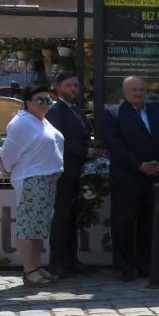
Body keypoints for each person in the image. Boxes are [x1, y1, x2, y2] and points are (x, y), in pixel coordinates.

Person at [102, 76, 159, 282]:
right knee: (124, 224)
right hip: (128, 178)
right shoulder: (113, 114)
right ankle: (125, 267)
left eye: (142, 89)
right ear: (125, 92)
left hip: (154, 180)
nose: (139, 93)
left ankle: (147, 265)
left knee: (150, 224)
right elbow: (115, 145)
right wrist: (139, 165)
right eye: (134, 90)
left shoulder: (157, 112)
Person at [0, 81, 65, 288]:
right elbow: (8, 154)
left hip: (45, 179)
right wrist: (10, 169)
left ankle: (37, 266)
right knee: (28, 227)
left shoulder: (42, 120)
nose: (46, 103)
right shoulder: (22, 123)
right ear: (28, 102)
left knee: (38, 228)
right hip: (31, 179)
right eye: (40, 100)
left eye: (49, 100)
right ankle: (30, 270)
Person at [46, 70, 95, 277]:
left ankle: (71, 260)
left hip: (77, 171)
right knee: (62, 218)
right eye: (69, 85)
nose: (73, 89)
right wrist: (85, 151)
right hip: (64, 172)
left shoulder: (76, 110)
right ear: (58, 89)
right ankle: (57, 262)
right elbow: (61, 141)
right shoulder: (56, 111)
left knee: (73, 217)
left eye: (75, 85)